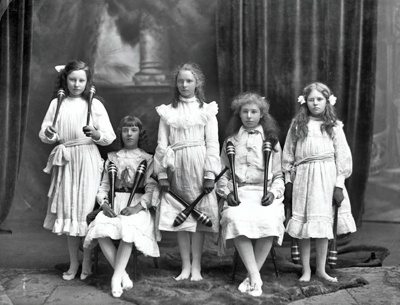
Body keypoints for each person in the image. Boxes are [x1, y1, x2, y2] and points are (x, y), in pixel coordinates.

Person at [39, 60, 116, 281]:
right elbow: (45, 134)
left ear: (87, 82)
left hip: (88, 159)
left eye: (81, 80)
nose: (76, 84)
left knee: (84, 212)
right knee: (69, 210)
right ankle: (74, 263)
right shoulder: (57, 104)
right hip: (67, 161)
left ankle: (88, 264)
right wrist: (51, 132)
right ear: (65, 80)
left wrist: (96, 134)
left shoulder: (95, 105)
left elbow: (109, 136)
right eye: (72, 79)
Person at [282, 82, 357, 282]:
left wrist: (339, 184)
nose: (315, 103)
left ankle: (321, 270)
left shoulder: (334, 126)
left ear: (327, 101)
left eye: (319, 99)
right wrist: (288, 181)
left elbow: (343, 157)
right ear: (304, 102)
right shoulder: (297, 125)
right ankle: (306, 270)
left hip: (326, 178)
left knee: (323, 225)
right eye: (311, 100)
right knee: (305, 226)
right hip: (303, 177)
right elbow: (288, 154)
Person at [154, 62, 220, 281]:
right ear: (176, 83)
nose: (184, 84)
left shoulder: (207, 110)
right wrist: (162, 174)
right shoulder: (168, 111)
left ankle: (197, 268)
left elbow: (213, 144)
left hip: (200, 165)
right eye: (180, 80)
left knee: (199, 219)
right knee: (182, 216)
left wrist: (210, 174)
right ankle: (185, 266)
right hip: (177, 166)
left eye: (189, 80)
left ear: (197, 83)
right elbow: (162, 144)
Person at [216, 92, 285, 297]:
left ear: (261, 115)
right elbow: (222, 173)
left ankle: (251, 277)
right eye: (244, 112)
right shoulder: (231, 141)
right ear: (239, 114)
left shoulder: (271, 141)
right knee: (235, 218)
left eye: (253, 112)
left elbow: (279, 174)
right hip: (240, 192)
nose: (248, 116)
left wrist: (273, 192)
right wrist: (227, 192)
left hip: (263, 193)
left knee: (271, 219)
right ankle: (255, 276)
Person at [84, 115, 160, 298]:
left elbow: (151, 189)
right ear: (120, 134)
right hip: (114, 202)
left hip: (137, 205)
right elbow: (103, 187)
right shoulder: (112, 158)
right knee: (99, 227)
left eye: (133, 130)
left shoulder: (148, 159)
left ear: (140, 134)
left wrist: (138, 207)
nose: (129, 134)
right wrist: (103, 204)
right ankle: (123, 275)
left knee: (128, 228)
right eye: (125, 130)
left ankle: (115, 277)